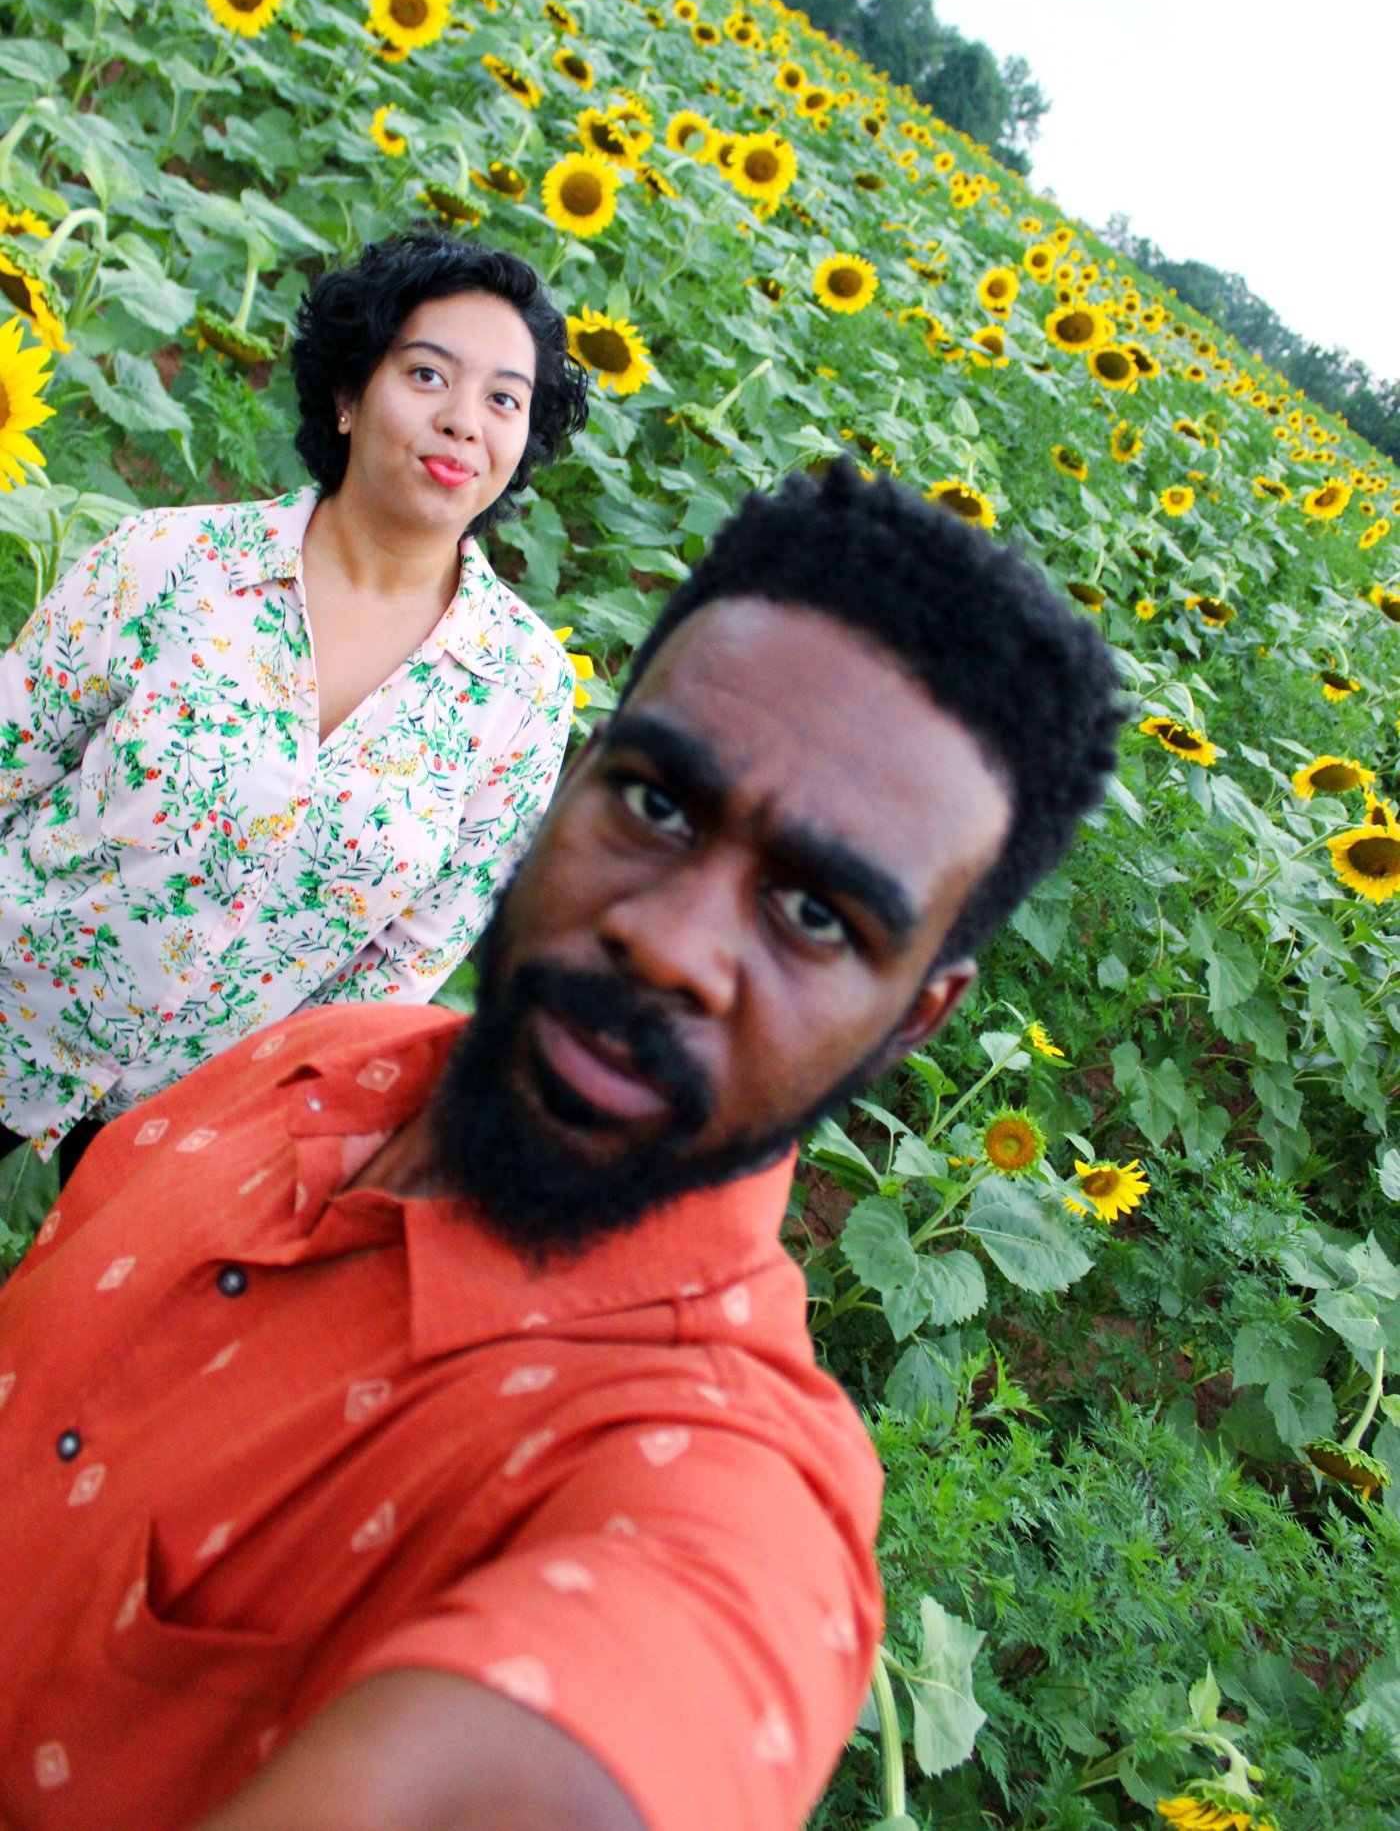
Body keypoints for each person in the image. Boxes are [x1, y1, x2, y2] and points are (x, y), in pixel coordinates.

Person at [0, 462, 1122, 1831]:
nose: (670, 938)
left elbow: (640, 1699)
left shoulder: (702, 1477)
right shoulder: (297, 1064)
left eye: (817, 916)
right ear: (575, 776)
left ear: (914, 1021)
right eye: (658, 805)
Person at [0, 231, 588, 1171]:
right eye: (429, 375)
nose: (464, 420)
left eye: (504, 399)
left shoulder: (522, 692)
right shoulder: (171, 563)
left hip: (190, 1130)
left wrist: (269, 1134)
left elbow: (402, 968)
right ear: (350, 394)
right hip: (16, 1002)